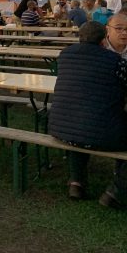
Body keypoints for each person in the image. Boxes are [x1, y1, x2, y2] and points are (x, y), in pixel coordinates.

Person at [48, 21, 127, 207]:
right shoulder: (115, 61)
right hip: (99, 133)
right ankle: (115, 191)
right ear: (103, 41)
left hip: (61, 130)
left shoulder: (65, 55)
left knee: (81, 120)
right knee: (91, 122)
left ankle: (76, 182)